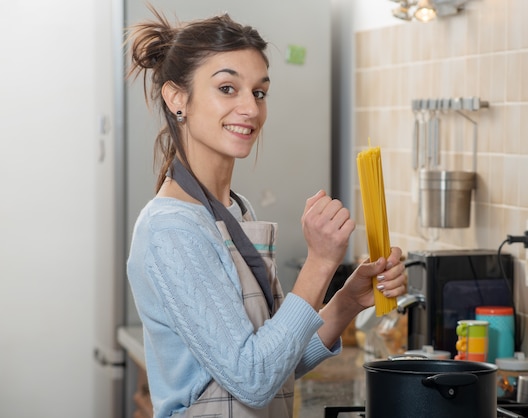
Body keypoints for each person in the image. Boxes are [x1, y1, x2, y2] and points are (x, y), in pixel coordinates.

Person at [125, 7, 407, 418]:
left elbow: (278, 364)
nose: (251, 109)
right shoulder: (171, 229)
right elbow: (253, 380)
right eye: (227, 88)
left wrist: (346, 302)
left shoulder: (232, 212)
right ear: (177, 98)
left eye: (259, 92)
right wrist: (320, 262)